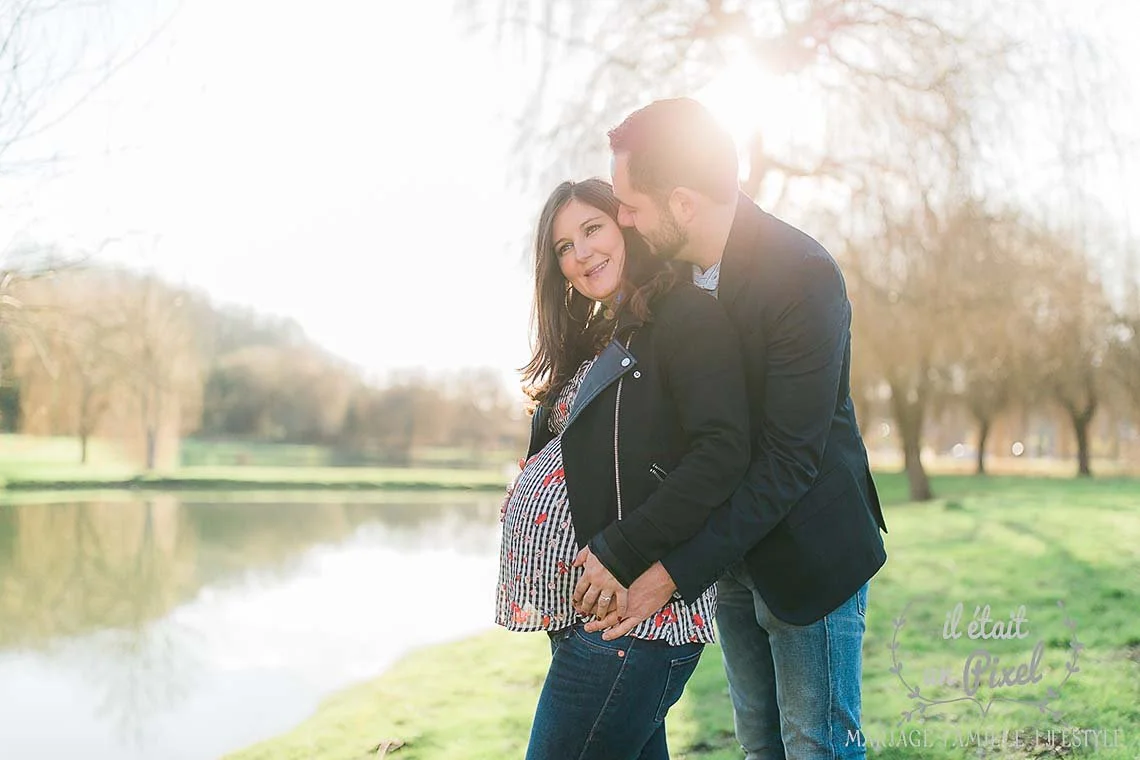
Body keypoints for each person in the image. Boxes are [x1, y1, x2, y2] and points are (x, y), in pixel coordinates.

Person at [572, 99, 889, 759]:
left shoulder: (801, 276)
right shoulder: (670, 277)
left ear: (683, 203)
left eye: (630, 204)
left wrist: (670, 573)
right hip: (734, 558)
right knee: (759, 747)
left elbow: (788, 463)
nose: (621, 218)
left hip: (811, 557)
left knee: (817, 746)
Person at [495, 177, 750, 760]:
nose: (581, 253)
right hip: (582, 606)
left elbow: (721, 454)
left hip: (636, 614)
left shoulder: (685, 318)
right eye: (563, 247)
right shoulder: (593, 336)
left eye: (592, 229)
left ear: (625, 225)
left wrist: (620, 550)